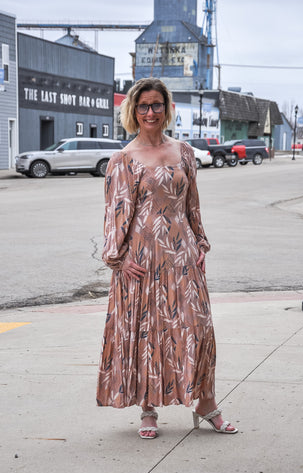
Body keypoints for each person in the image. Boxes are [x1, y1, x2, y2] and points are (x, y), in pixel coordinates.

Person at [96, 77, 238, 439]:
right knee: (148, 334)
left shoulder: (185, 152)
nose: (150, 112)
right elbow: (115, 215)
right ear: (133, 111)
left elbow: (192, 204)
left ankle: (205, 403)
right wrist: (118, 259)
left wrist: (200, 243)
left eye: (157, 104)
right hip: (142, 262)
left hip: (183, 258)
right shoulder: (123, 159)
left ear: (167, 108)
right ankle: (148, 409)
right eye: (143, 106)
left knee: (198, 329)